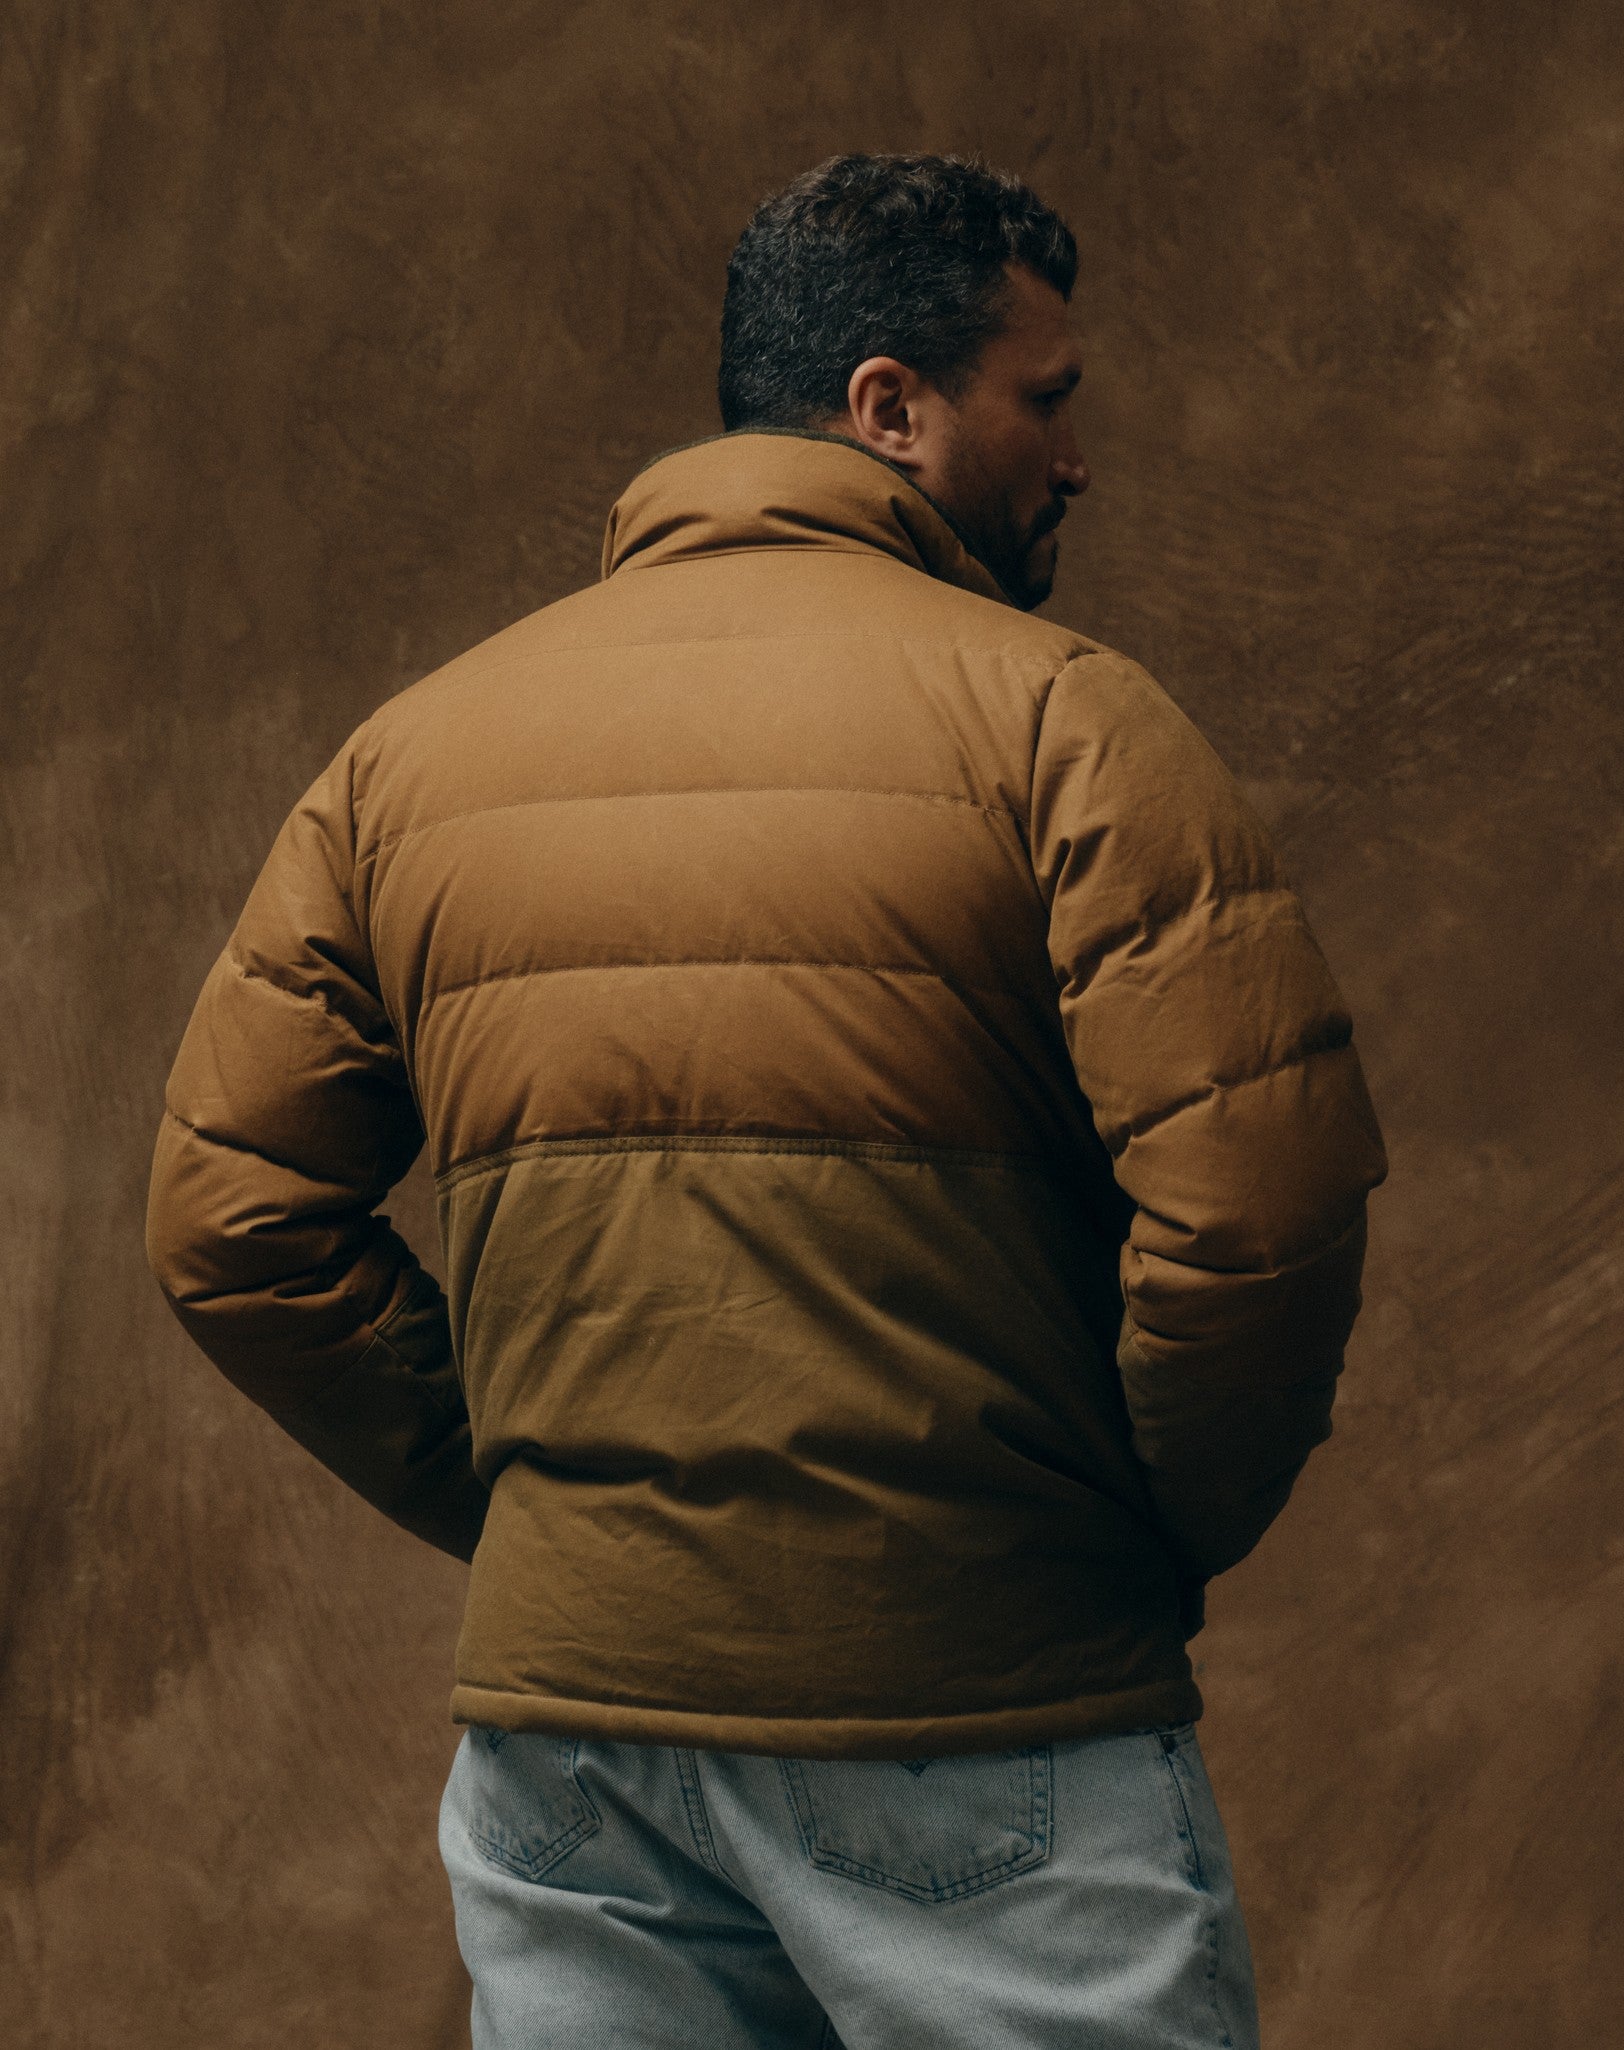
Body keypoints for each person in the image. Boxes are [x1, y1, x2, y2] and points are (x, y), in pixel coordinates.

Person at [146, 153, 1387, 2049]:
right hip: (978, 1690)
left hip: (571, 1746)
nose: (1075, 459)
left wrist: (555, 1514)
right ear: (890, 406)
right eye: (1044, 399)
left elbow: (227, 1221)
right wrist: (1116, 1536)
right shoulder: (1061, 719)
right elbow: (1263, 1207)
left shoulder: (408, 753)